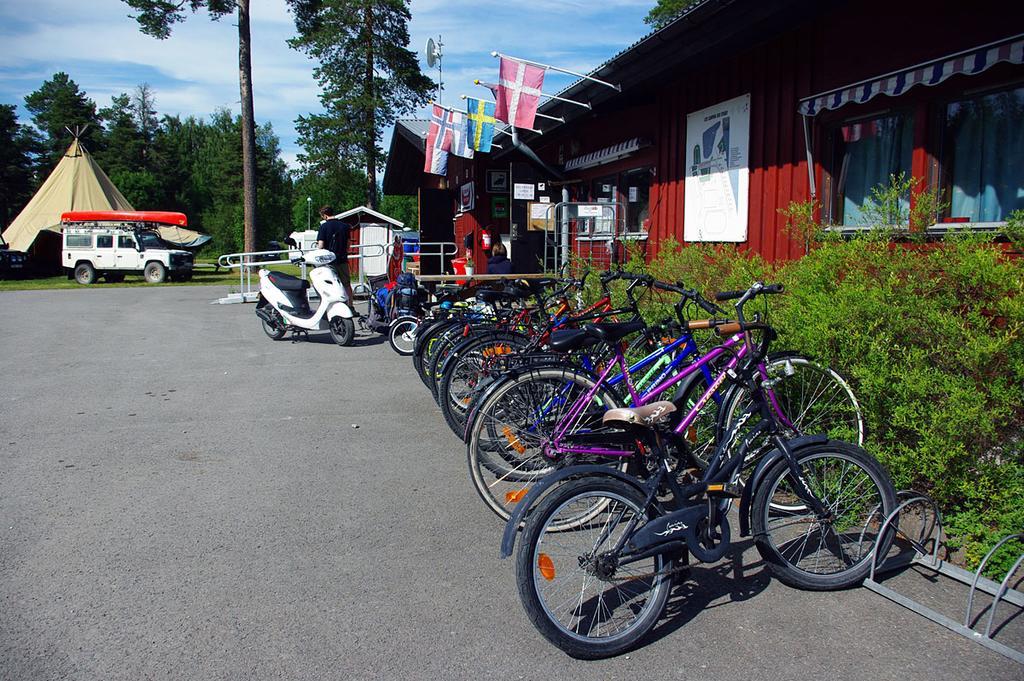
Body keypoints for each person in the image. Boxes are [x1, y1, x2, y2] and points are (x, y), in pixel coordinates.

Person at [316, 206, 358, 305]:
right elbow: (348, 245)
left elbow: (321, 245)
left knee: (329, 284)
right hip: (342, 259)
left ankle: (331, 306)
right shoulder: (345, 226)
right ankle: (350, 305)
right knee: (346, 284)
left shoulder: (323, 227)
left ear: (325, 216)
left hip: (329, 261)